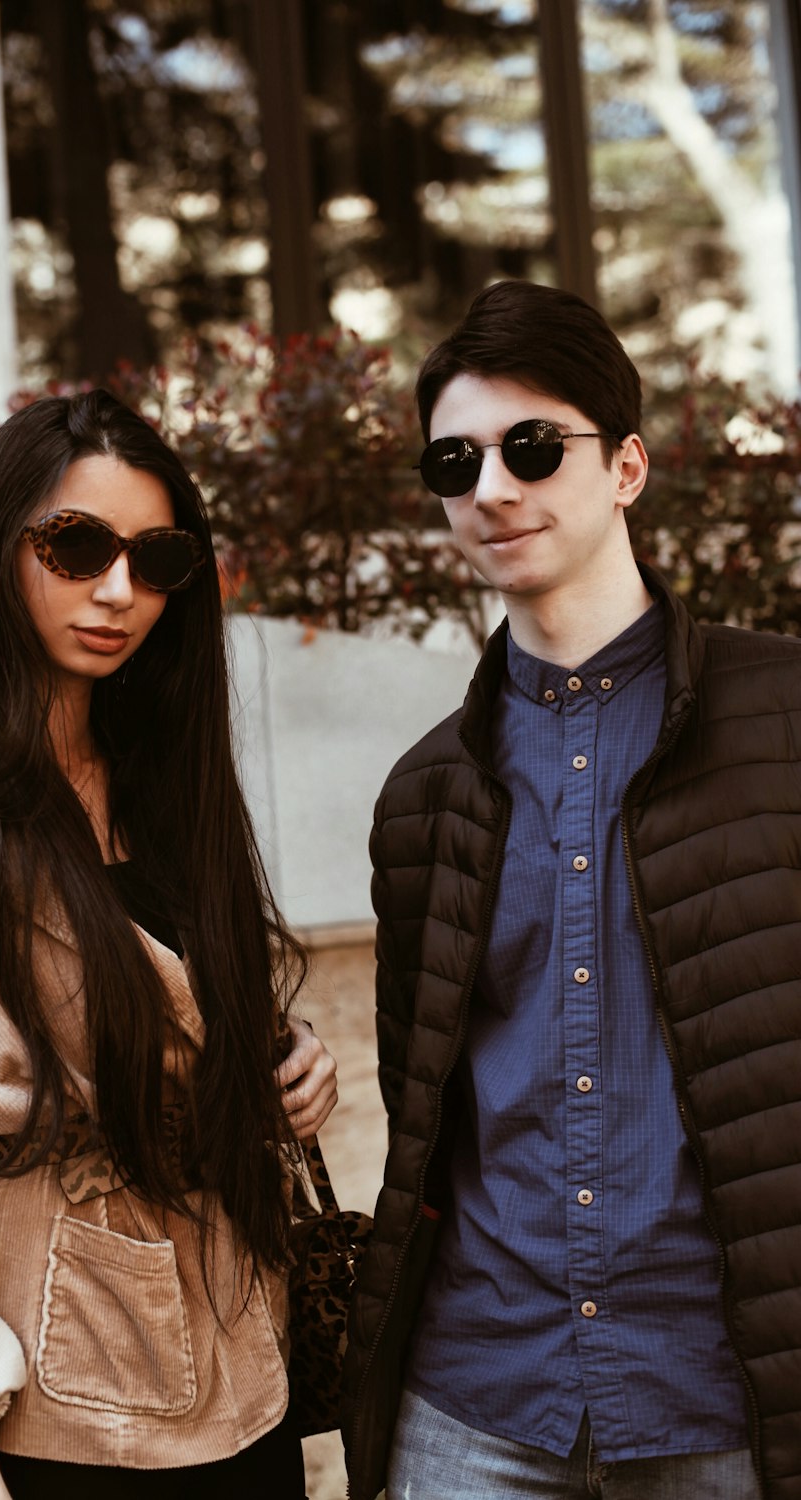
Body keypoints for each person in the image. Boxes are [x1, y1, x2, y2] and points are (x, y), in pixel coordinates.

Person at [0, 389, 338, 1500]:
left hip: (247, 1374)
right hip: (65, 1425)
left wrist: (279, 1067)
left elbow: (177, 1009)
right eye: (78, 545)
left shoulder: (160, 785)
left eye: (155, 561)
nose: (118, 591)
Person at [341, 280, 801, 1500]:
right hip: (479, 1404)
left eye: (533, 447)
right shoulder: (420, 797)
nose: (492, 487)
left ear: (627, 467)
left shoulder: (785, 721)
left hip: (724, 1397)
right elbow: (424, 1115)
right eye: (457, 458)